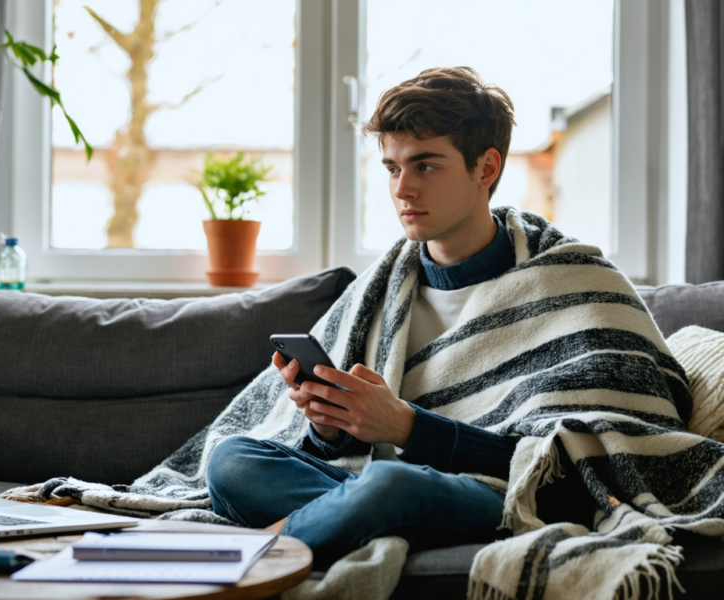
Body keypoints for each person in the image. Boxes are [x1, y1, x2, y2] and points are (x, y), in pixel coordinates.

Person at [204, 66, 664, 560]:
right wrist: (329, 427)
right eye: (391, 168)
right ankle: (343, 524)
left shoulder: (576, 282)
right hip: (371, 484)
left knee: (393, 486)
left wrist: (406, 427)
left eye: (425, 166)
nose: (402, 189)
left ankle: (264, 551)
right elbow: (333, 454)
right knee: (233, 461)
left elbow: (581, 469)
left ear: (486, 169)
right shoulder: (379, 291)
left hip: (502, 495)